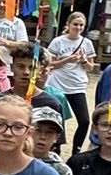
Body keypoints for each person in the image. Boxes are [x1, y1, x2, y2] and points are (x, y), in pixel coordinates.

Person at [40, 10, 98, 153]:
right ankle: (56, 149)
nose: (78, 28)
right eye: (75, 24)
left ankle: (76, 150)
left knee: (84, 121)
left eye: (81, 25)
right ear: (68, 24)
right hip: (57, 85)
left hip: (77, 86)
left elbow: (90, 67)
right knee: (56, 119)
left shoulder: (87, 43)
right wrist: (68, 60)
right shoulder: (58, 41)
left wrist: (83, 60)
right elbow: (49, 64)